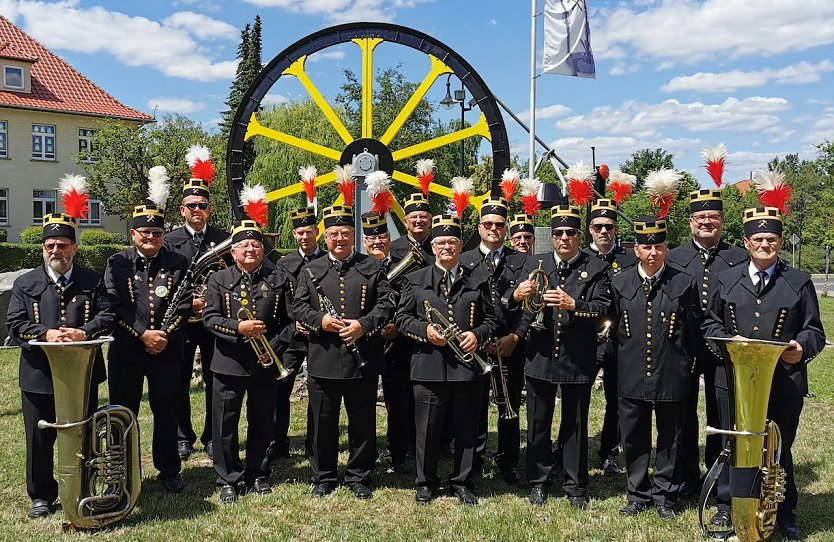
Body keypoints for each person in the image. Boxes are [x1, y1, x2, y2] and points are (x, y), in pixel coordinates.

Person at [703, 206, 825, 542]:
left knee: (779, 448)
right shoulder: (726, 279)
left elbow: (815, 330)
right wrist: (731, 342)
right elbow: (710, 325)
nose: (765, 244)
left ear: (780, 242)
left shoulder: (798, 281)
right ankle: (728, 506)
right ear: (746, 242)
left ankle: (783, 514)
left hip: (783, 381)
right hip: (734, 381)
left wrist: (800, 346)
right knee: (735, 445)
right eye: (758, 239)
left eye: (771, 239)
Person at [6, 212, 114, 519]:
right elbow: (14, 323)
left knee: (85, 433)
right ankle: (41, 495)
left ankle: (85, 486)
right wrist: (46, 333)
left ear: (75, 248)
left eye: (63, 245)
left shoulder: (92, 280)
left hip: (83, 374)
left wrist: (84, 331)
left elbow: (107, 316)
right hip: (38, 374)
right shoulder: (26, 283)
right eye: (51, 245)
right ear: (43, 248)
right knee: (39, 438)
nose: (56, 251)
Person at [511, 205, 611, 508]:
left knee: (575, 424)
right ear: (551, 237)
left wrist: (573, 304)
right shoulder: (536, 263)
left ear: (580, 236)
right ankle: (538, 481)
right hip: (540, 356)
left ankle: (575, 484)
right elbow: (519, 309)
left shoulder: (596, 268)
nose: (564, 237)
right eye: (558, 233)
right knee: (538, 423)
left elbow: (604, 310)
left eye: (570, 233)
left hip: (577, 357)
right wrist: (517, 296)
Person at [292, 205, 394, 500]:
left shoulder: (372, 267)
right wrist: (320, 321)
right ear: (325, 238)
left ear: (354, 235)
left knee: (362, 420)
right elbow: (298, 306)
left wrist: (363, 325)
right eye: (334, 233)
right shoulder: (311, 269)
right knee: (322, 421)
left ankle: (358, 475)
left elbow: (387, 303)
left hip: (363, 356)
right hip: (323, 356)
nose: (339, 238)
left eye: (345, 233)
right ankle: (323, 476)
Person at [395, 214, 497, 505]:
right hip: (428, 366)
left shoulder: (478, 279)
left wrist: (477, 334)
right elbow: (401, 319)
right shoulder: (415, 280)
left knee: (466, 428)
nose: (446, 247)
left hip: (467, 367)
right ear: (434, 247)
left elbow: (492, 319)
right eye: (440, 243)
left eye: (452, 242)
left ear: (461, 245)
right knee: (427, 429)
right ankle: (426, 482)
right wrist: (425, 330)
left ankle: (463, 482)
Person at [611, 216, 701, 520]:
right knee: (634, 435)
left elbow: (693, 330)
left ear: (666, 248)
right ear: (636, 249)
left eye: (659, 246)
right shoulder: (619, 282)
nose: (653, 252)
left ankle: (665, 495)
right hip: (631, 369)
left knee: (670, 436)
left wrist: (687, 365)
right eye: (647, 247)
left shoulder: (684, 282)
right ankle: (637, 493)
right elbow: (611, 328)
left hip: (671, 370)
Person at [202, 220, 292, 503]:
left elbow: (290, 322)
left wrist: (273, 348)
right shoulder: (219, 279)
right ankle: (227, 477)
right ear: (233, 251)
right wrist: (238, 329)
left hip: (265, 362)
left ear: (263, 249)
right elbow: (210, 318)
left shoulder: (278, 278)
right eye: (244, 245)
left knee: (262, 420)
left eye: (256, 244)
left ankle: (257, 473)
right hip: (228, 362)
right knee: (224, 423)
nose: (251, 249)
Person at [105, 201, 191, 493]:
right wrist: (143, 335)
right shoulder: (117, 262)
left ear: (163, 235)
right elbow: (114, 306)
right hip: (127, 351)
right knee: (121, 412)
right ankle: (121, 473)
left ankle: (169, 470)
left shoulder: (178, 262)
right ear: (133, 234)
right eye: (145, 232)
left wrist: (162, 335)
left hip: (166, 350)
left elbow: (184, 305)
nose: (150, 237)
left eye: (156, 232)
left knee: (166, 410)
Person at [667, 189, 747, 498]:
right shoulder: (674, 257)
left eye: (713, 217)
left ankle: (718, 474)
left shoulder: (738, 256)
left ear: (722, 221)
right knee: (683, 414)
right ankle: (688, 475)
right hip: (684, 347)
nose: (706, 222)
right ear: (690, 221)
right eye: (700, 217)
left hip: (723, 350)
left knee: (722, 413)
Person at [460, 197, 528, 484]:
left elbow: (531, 307)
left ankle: (508, 460)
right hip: (476, 344)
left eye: (500, 225)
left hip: (510, 345)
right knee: (472, 406)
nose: (494, 229)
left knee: (510, 406)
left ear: (506, 228)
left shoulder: (521, 260)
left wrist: (516, 336)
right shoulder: (463, 261)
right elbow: (461, 304)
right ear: (479, 227)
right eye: (488, 224)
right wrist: (477, 337)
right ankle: (473, 459)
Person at [164, 176, 230, 461]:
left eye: (202, 205)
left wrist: (212, 302)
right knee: (177, 381)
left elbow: (231, 278)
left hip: (214, 322)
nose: (196, 210)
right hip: (182, 322)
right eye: (191, 205)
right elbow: (164, 281)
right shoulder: (169, 241)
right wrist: (189, 302)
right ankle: (182, 436)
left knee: (216, 380)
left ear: (209, 209)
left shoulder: (222, 238)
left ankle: (213, 436)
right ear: (182, 210)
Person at [582, 199, 636, 477]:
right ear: (590, 229)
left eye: (610, 227)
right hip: (586, 342)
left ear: (616, 230)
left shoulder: (629, 260)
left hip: (619, 341)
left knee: (617, 400)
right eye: (599, 227)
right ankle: (574, 450)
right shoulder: (580, 259)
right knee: (578, 397)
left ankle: (609, 451)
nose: (604, 232)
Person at [270, 207, 325, 461]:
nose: (305, 237)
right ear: (294, 234)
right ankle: (278, 441)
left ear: (317, 231)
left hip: (321, 337)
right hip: (293, 336)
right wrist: (295, 323)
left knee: (320, 392)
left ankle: (314, 443)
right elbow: (282, 299)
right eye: (300, 233)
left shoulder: (327, 260)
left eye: (309, 232)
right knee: (281, 390)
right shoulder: (284, 264)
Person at [361, 212, 412, 474]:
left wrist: (398, 328)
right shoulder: (358, 267)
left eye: (381, 236)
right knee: (363, 404)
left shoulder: (405, 266)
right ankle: (366, 452)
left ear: (389, 238)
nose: (377, 241)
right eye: (371, 237)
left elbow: (411, 304)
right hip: (367, 343)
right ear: (364, 241)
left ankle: (398, 453)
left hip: (397, 343)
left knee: (399, 403)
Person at [389, 193, 434, 264]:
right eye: (414, 217)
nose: (419, 221)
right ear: (405, 222)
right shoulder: (393, 248)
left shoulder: (438, 246)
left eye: (423, 217)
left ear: (430, 221)